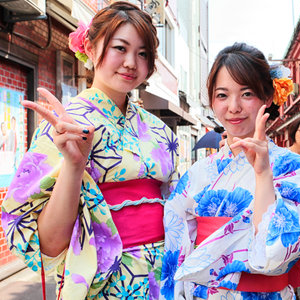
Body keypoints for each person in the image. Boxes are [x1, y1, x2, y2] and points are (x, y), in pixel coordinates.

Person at [1, 2, 178, 299]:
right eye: (120, 48)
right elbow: (49, 243)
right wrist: (73, 165)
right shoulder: (64, 125)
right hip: (104, 282)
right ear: (92, 48)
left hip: (162, 277)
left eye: (143, 53)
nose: (131, 62)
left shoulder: (160, 131)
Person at [160, 42, 300, 300]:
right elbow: (176, 247)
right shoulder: (198, 172)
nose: (234, 107)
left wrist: (263, 174)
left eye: (247, 94)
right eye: (222, 95)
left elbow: (275, 253)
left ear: (268, 97)